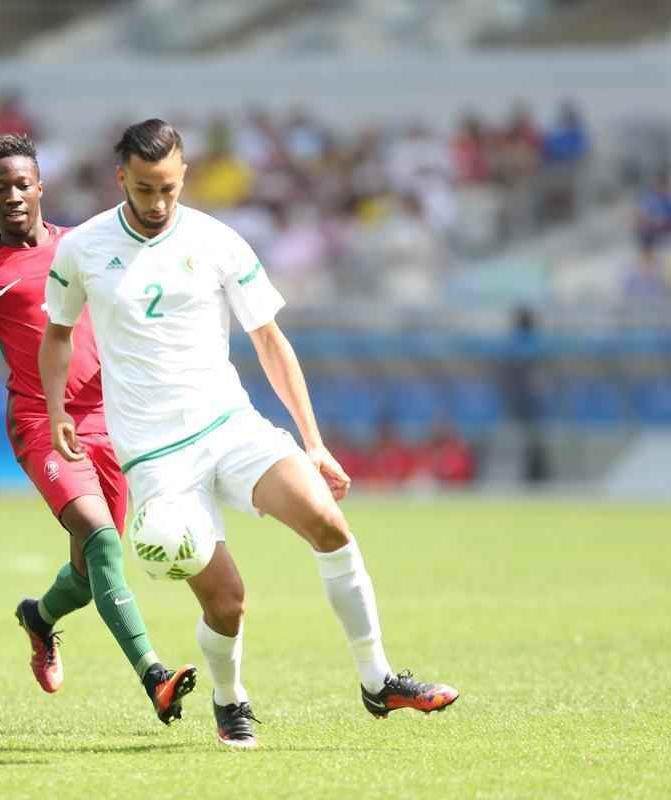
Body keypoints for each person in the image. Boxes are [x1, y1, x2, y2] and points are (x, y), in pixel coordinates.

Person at [39, 119, 459, 748]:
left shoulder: (218, 241)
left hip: (230, 425)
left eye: (170, 190)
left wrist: (312, 442)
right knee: (228, 602)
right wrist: (56, 412)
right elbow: (58, 334)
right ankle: (229, 700)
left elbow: (269, 339)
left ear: (185, 179)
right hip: (155, 456)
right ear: (120, 176)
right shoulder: (83, 249)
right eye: (146, 188)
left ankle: (378, 679)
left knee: (329, 525)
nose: (157, 204)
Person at [0, 134, 196, 726]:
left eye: (23, 184)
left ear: (40, 187)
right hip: (40, 422)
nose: (14, 196)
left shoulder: (88, 245)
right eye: (1, 188)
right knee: (101, 541)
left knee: (87, 571)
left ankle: (40, 617)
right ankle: (154, 675)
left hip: (115, 420)